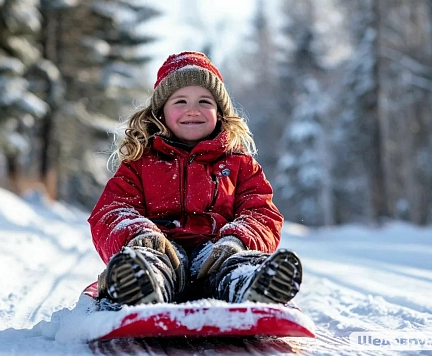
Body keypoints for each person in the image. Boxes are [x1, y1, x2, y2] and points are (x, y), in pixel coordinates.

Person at [88, 51, 302, 306]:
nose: (193, 110)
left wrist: (237, 239)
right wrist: (139, 233)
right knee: (151, 262)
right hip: (162, 249)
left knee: (234, 266)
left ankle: (254, 286)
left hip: (217, 252)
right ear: (160, 112)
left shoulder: (239, 164)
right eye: (180, 101)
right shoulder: (140, 162)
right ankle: (140, 285)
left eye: (204, 101)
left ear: (220, 112)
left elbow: (261, 213)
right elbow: (113, 210)